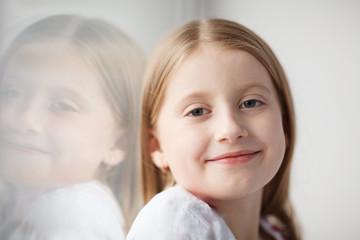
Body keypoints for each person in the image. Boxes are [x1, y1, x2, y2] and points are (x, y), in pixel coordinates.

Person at [127, 18, 301, 240]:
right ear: (157, 145)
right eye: (197, 111)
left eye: (251, 103)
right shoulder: (171, 221)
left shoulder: (274, 231)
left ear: (283, 123)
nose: (230, 129)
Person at [0, 14, 143, 239]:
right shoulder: (22, 207)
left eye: (63, 106)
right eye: (11, 92)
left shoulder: (72, 213)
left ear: (118, 143)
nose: (26, 119)